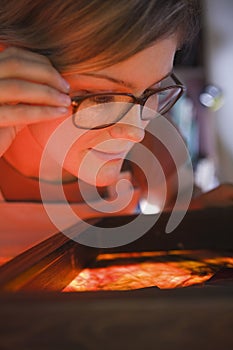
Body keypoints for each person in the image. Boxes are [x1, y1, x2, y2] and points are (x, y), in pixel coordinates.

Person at [0, 0, 232, 257]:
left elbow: (178, 222)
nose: (136, 132)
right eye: (103, 98)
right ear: (12, 65)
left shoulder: (155, 145)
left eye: (150, 91)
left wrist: (208, 211)